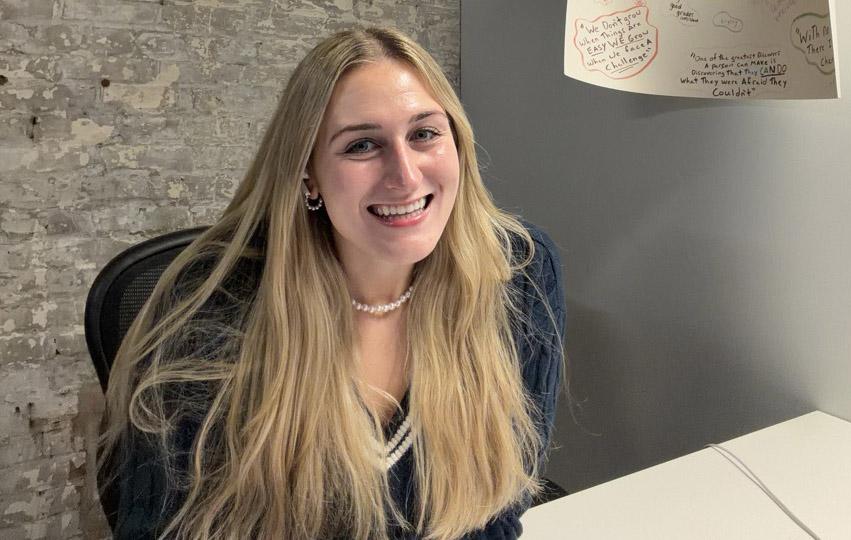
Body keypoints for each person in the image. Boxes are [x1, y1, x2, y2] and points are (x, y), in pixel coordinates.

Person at [97, 26, 565, 540]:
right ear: (308, 175)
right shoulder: (208, 316)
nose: (405, 176)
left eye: (424, 133)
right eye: (362, 145)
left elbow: (496, 509)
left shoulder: (516, 274)